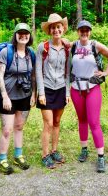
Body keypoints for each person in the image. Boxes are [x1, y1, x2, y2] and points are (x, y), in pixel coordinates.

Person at [70, 20, 108, 173]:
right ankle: (84, 149)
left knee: (94, 122)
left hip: (92, 88)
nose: (84, 32)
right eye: (81, 30)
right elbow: (59, 43)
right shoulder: (73, 46)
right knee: (82, 120)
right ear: (78, 31)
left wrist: (106, 72)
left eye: (87, 30)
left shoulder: (95, 45)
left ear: (90, 32)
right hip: (76, 88)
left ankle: (101, 157)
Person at [0, 23, 36, 175]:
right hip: (8, 96)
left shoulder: (30, 53)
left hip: (24, 96)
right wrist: (4, 96)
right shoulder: (6, 52)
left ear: (29, 36)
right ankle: (2, 159)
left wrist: (33, 94)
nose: (23, 35)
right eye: (20, 33)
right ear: (15, 35)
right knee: (7, 129)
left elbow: (33, 76)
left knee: (19, 127)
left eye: (26, 33)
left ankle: (18, 156)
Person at [36, 13, 70, 169]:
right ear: (49, 31)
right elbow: (38, 71)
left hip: (61, 89)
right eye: (53, 28)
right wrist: (41, 93)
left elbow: (68, 72)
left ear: (63, 28)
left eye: (58, 27)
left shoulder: (67, 48)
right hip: (47, 89)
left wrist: (68, 93)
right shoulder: (43, 47)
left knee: (57, 122)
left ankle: (55, 150)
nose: (56, 30)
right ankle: (45, 154)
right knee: (48, 123)